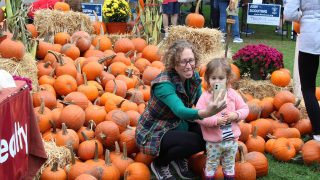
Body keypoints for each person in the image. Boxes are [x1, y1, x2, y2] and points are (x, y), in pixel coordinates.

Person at [135, 39, 227, 180]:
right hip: (155, 129)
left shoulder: (193, 77)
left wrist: (220, 96)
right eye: (183, 62)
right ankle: (160, 164)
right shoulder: (164, 85)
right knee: (195, 142)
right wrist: (207, 113)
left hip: (178, 122)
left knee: (210, 135)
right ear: (174, 64)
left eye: (191, 60)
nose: (188, 66)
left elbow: (201, 103)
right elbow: (180, 110)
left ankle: (179, 158)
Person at [195, 58, 249, 180]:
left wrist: (236, 115)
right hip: (214, 143)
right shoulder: (205, 97)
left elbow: (245, 109)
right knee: (211, 165)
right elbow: (199, 116)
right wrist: (215, 121)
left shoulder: (233, 95)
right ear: (208, 79)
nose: (216, 81)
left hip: (231, 141)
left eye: (221, 78)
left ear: (228, 79)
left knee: (229, 166)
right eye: (213, 78)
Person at [284, 0, 320, 141]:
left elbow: (289, 13)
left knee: (308, 88)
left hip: (310, 35)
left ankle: (318, 132)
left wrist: (303, 15)